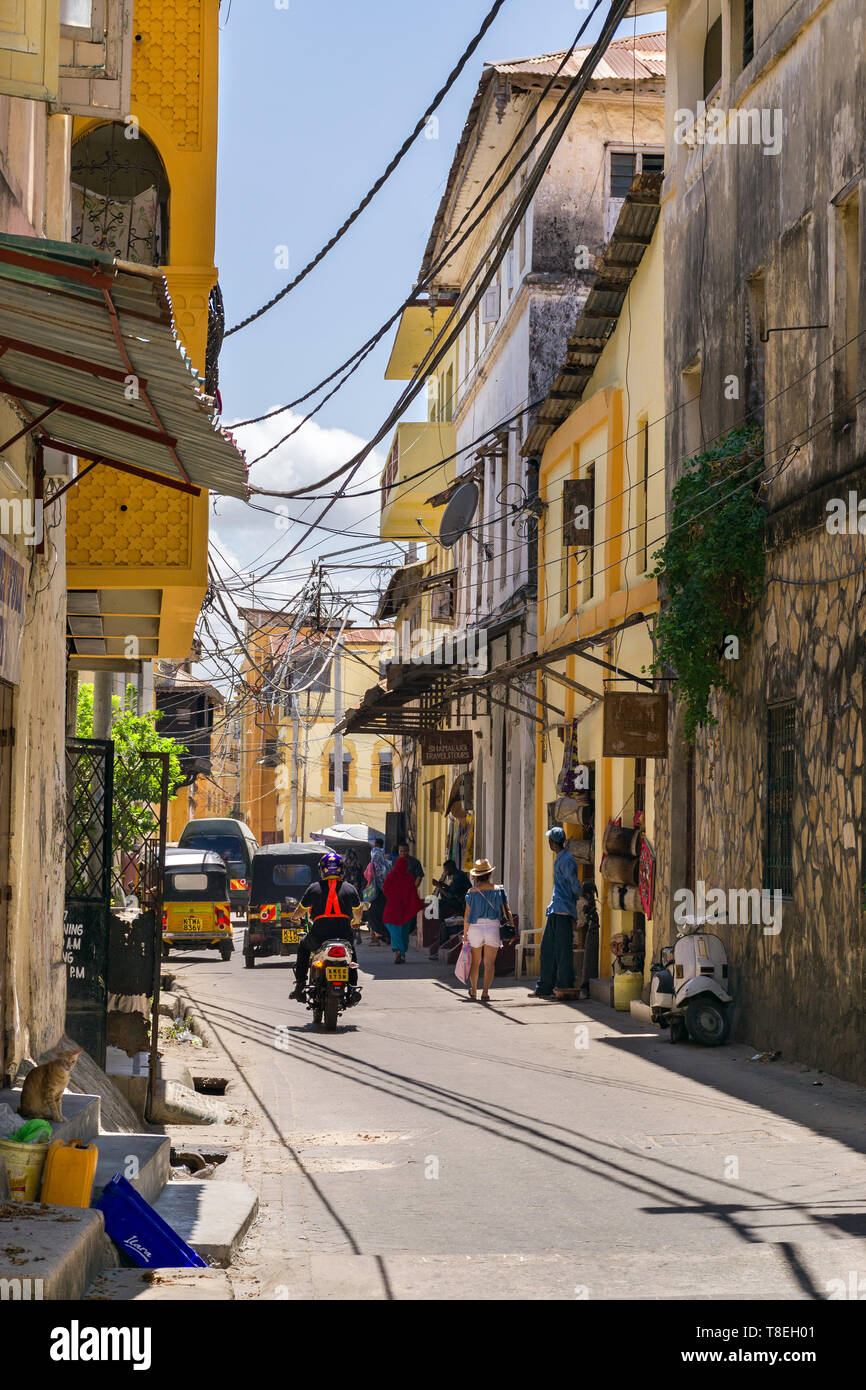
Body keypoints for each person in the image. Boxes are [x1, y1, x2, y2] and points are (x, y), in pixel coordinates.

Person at [290, 851, 361, 1001]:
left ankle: (300, 985)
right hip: (344, 935)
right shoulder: (350, 888)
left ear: (322, 870)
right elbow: (358, 911)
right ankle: (353, 987)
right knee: (351, 955)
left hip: (319, 936)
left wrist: (294, 918)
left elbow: (301, 909)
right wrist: (356, 922)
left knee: (303, 947)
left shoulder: (314, 888)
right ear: (342, 869)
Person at [533, 826, 581, 998]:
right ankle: (546, 986)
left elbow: (574, 884)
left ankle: (564, 985)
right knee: (548, 949)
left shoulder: (566, 860)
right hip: (556, 909)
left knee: (562, 951)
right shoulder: (561, 858)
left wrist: (575, 907)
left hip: (563, 910)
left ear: (552, 842)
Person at [463, 859, 513, 1002]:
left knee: (475, 962)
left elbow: (467, 916)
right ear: (490, 874)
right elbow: (507, 911)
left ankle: (473, 990)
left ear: (476, 876)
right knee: (489, 963)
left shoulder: (471, 892)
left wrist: (465, 934)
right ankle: (485, 992)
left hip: (475, 928)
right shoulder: (499, 890)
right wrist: (512, 929)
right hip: (493, 927)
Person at [382, 853, 425, 963]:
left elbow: (385, 889)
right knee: (404, 932)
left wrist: (392, 897)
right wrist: (418, 905)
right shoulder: (409, 878)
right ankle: (402, 953)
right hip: (405, 910)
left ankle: (398, 951)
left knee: (395, 932)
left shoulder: (390, 876)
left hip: (392, 908)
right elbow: (413, 893)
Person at [429, 858, 471, 960]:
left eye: (446, 870)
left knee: (439, 905)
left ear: (451, 868)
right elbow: (452, 889)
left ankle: (441, 922)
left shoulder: (458, 877)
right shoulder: (457, 875)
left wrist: (439, 887)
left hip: (462, 904)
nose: (445, 872)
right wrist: (443, 885)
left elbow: (450, 896)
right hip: (459, 901)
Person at [365, 837, 390, 945]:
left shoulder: (374, 862)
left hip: (377, 893)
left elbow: (370, 876)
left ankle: (378, 937)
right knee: (383, 914)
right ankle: (385, 936)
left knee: (373, 915)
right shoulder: (386, 863)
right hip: (385, 893)